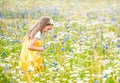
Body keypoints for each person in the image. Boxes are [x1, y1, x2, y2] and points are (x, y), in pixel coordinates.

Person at [19, 16, 54, 82]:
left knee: (27, 73)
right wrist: (41, 48)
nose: (47, 31)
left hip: (26, 55)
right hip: (31, 56)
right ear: (44, 25)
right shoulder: (38, 33)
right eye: (48, 28)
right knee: (33, 72)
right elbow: (30, 46)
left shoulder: (34, 30)